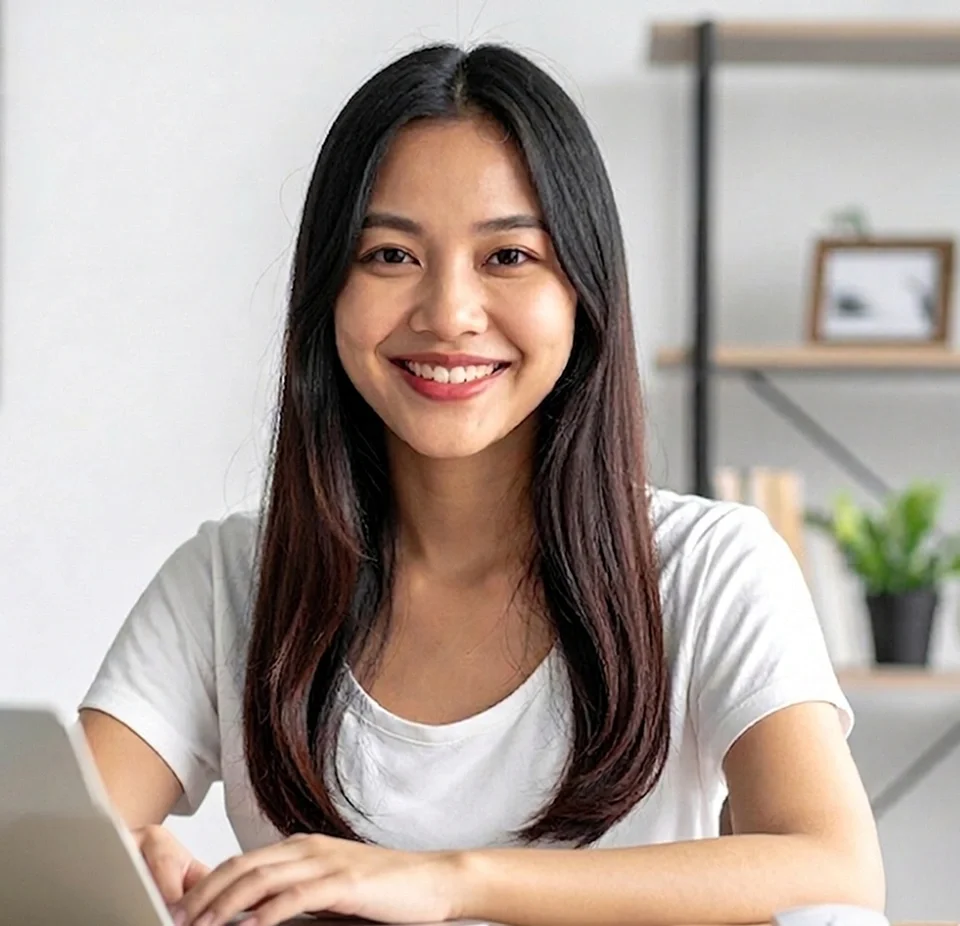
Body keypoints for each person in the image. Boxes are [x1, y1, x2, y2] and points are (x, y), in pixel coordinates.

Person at [77, 42, 884, 926]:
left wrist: (449, 883)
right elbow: (35, 843)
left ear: (582, 292)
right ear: (329, 290)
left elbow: (835, 871)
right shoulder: (231, 579)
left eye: (507, 257)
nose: (449, 315)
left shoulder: (708, 567)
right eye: (391, 254)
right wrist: (120, 861)